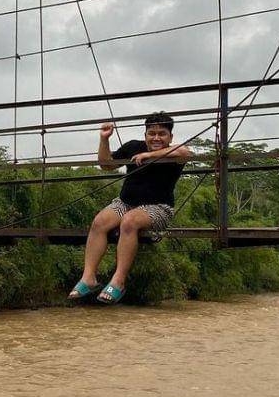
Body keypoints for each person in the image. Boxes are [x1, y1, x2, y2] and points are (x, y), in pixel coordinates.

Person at [68, 111, 191, 305]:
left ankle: (118, 281)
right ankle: (88, 278)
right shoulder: (133, 146)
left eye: (162, 134)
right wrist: (104, 139)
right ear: (145, 135)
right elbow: (106, 165)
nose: (156, 138)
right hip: (125, 203)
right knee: (99, 222)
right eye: (152, 133)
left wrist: (149, 155)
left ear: (170, 137)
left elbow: (185, 152)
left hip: (158, 208)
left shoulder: (175, 155)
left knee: (129, 221)